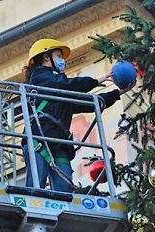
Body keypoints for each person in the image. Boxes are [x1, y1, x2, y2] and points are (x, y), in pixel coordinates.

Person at [22, 38, 133, 193]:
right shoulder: (40, 78)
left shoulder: (60, 90)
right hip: (39, 140)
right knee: (35, 189)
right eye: (58, 56)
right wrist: (96, 80)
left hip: (59, 145)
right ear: (46, 57)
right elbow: (66, 85)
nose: (62, 60)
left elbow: (89, 103)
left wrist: (117, 93)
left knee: (64, 192)